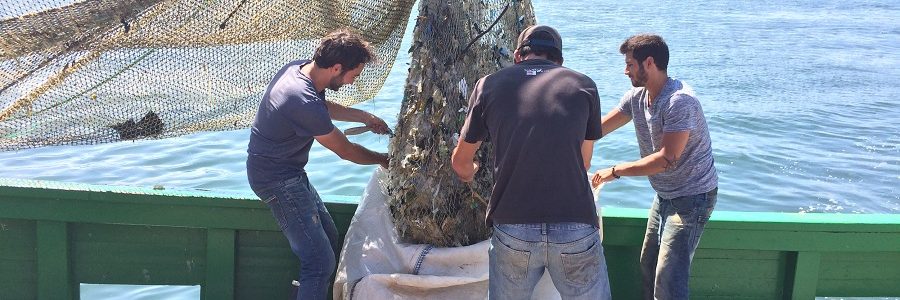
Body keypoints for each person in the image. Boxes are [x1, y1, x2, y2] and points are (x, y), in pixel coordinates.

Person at [452, 25, 611, 299]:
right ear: (560, 60)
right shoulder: (585, 85)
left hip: (513, 227)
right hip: (575, 225)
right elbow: (584, 162)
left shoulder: (487, 85)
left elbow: (460, 162)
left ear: (517, 55)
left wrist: (470, 172)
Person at [245, 28, 390, 300]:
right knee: (320, 262)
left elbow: (322, 107)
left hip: (289, 172)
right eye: (353, 75)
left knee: (328, 236)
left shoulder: (299, 71)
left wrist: (364, 117)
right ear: (337, 67)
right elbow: (345, 150)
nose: (351, 82)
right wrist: (382, 160)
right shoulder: (302, 101)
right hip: (276, 179)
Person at [591, 34, 718, 300]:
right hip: (665, 195)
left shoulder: (679, 101)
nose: (625, 70)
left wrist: (615, 171)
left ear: (649, 63)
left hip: (693, 197)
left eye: (629, 64)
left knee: (669, 280)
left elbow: (666, 159)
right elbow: (597, 130)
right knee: (648, 267)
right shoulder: (637, 97)